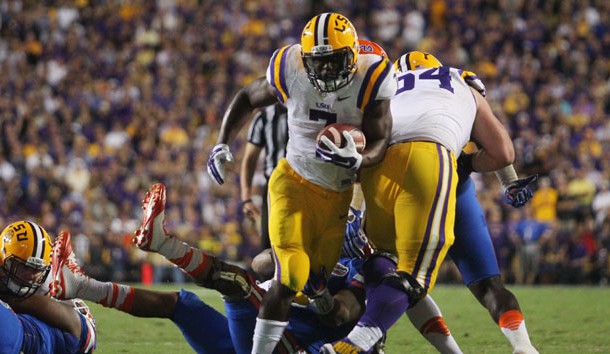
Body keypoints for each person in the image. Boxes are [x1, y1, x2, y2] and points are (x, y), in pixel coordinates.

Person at [206, 12, 396, 353]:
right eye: (317, 62)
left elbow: (381, 138)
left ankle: (322, 307)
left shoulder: (373, 75)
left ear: (352, 54)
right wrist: (222, 141)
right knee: (290, 272)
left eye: (333, 60)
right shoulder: (289, 66)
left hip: (338, 195)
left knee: (315, 279)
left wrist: (359, 160)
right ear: (305, 58)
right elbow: (249, 96)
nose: (324, 70)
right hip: (292, 181)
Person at [322, 51, 516, 354]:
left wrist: (352, 210)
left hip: (380, 167)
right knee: (417, 277)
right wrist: (497, 176)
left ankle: (369, 339)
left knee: (384, 265)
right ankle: (353, 346)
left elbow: (360, 152)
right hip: (432, 163)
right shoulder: (459, 80)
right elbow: (502, 153)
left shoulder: (382, 84)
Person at [51, 182, 374, 354]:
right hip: (252, 336)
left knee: (239, 285)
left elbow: (341, 314)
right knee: (180, 304)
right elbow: (262, 263)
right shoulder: (315, 246)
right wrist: (294, 252)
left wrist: (316, 292)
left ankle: (164, 244)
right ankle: (79, 287)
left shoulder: (366, 271)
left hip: (281, 345)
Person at [0, 221, 96, 354]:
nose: (31, 275)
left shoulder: (52, 283)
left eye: (37, 269)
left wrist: (11, 298)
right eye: (24, 267)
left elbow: (79, 328)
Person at [240, 102, 288, 249]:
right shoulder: (264, 117)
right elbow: (249, 159)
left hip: (308, 185)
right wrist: (246, 198)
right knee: (269, 247)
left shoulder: (308, 109)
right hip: (275, 188)